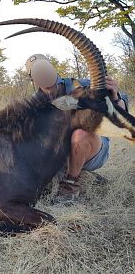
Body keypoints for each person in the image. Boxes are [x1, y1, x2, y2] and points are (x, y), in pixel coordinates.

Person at [25, 54, 129, 202]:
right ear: (32, 78)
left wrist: (115, 96)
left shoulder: (82, 84)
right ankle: (69, 175)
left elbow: (120, 113)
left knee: (80, 134)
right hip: (59, 154)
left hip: (92, 146)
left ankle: (70, 185)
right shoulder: (33, 103)